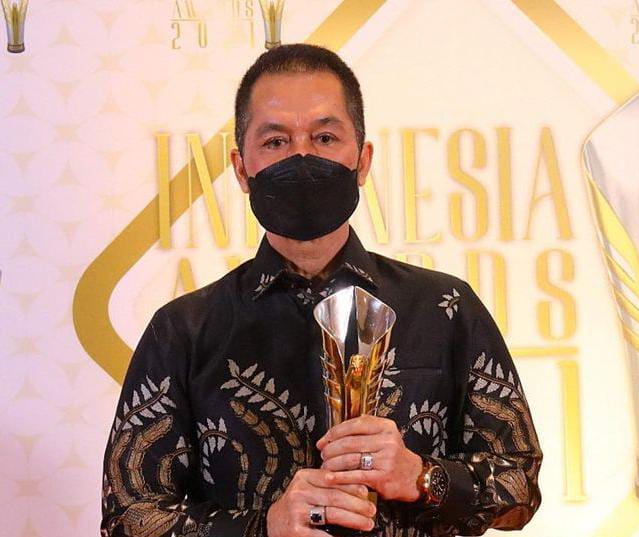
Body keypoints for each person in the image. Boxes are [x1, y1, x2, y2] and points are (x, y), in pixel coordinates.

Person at [101, 44, 541, 537]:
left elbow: (519, 487)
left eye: (325, 137)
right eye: (275, 141)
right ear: (242, 169)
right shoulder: (184, 329)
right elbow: (127, 518)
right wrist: (262, 528)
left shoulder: (444, 308)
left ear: (363, 160)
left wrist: (422, 477)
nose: (302, 156)